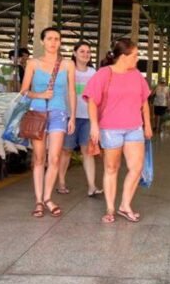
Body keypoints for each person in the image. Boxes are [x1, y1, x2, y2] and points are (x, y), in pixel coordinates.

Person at [84, 39, 153, 223]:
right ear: (123, 56)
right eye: (135, 55)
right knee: (111, 168)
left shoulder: (136, 75)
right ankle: (110, 208)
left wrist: (147, 124)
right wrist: (94, 125)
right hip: (110, 129)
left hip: (134, 128)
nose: (137, 59)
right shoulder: (104, 73)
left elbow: (144, 101)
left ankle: (125, 205)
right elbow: (92, 100)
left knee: (136, 168)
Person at [20, 28, 77, 218]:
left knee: (54, 158)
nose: (53, 42)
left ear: (60, 42)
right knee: (39, 158)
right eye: (49, 38)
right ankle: (38, 200)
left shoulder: (67, 64)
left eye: (57, 39)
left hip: (59, 112)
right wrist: (40, 94)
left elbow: (71, 92)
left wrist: (72, 116)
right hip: (37, 112)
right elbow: (23, 91)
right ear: (42, 41)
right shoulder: (33, 63)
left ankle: (47, 198)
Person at [57, 42, 101, 198]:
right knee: (66, 150)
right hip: (69, 116)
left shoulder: (93, 72)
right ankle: (61, 182)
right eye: (82, 51)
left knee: (87, 151)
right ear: (74, 53)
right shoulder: (67, 70)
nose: (85, 54)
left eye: (88, 51)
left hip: (88, 117)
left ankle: (92, 186)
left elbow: (97, 95)